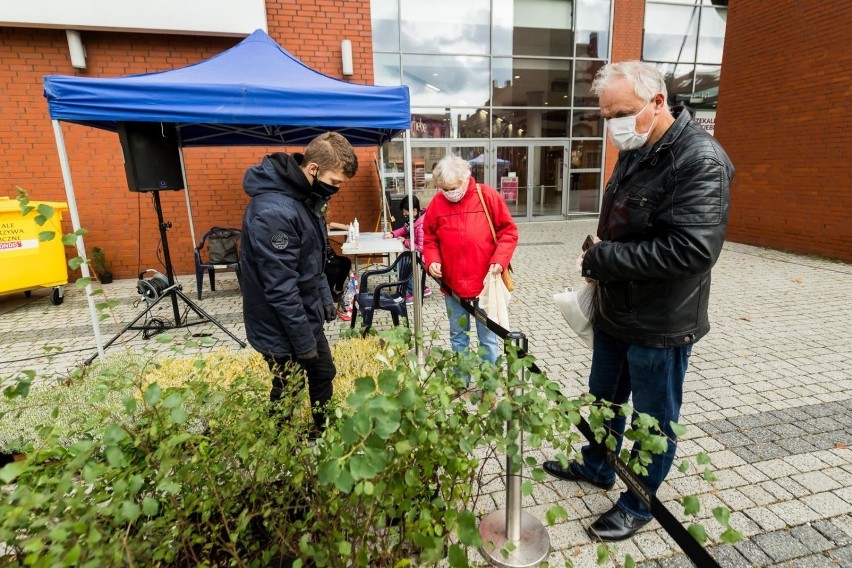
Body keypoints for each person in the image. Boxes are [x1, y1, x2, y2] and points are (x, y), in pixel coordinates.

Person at [543, 61, 733, 541]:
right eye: (606, 115)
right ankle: (598, 465)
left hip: (660, 324)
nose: (613, 125)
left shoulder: (699, 159)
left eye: (622, 112)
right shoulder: (635, 149)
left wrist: (607, 259)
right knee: (604, 400)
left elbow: (693, 250)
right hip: (615, 312)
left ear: (657, 102)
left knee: (654, 420)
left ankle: (638, 502)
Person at [239, 132, 358, 435]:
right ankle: (282, 449)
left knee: (323, 371)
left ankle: (325, 430)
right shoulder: (274, 212)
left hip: (303, 315)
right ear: (314, 169)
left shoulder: (307, 199)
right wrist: (304, 342)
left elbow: (314, 262)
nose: (335, 191)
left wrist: (324, 300)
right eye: (334, 183)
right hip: (277, 322)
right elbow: (280, 288)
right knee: (288, 387)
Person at [423, 155, 518, 371]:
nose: (450, 193)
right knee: (458, 338)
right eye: (445, 189)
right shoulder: (437, 203)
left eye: (453, 188)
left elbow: (508, 231)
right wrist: (432, 261)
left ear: (467, 179)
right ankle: (461, 382)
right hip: (452, 285)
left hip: (485, 284)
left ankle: (489, 386)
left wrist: (500, 260)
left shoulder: (487, 195)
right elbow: (429, 238)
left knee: (488, 339)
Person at [384, 195, 431, 302]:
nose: (404, 214)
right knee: (401, 263)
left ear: (414, 210)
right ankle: (420, 289)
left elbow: (420, 248)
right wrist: (392, 234)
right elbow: (405, 229)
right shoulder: (413, 220)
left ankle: (415, 293)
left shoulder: (421, 225)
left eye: (405, 212)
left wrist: (405, 241)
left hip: (424, 256)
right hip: (417, 253)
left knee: (403, 265)